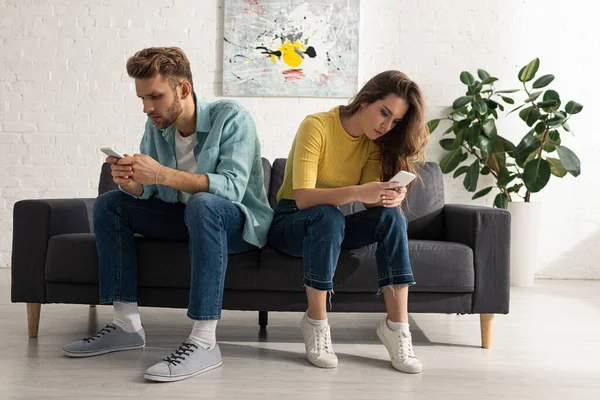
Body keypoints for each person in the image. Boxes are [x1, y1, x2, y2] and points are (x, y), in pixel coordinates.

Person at [62, 47, 273, 382]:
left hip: (235, 223)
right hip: (186, 217)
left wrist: (160, 173)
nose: (148, 108)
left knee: (204, 204)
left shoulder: (231, 116)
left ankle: (204, 342)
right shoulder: (157, 127)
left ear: (183, 89)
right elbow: (156, 193)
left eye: (155, 97)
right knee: (109, 203)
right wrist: (132, 184)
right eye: (142, 98)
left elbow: (231, 189)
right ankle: (126, 325)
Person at [267, 70, 429, 373]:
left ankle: (397, 328)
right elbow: (302, 197)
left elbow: (368, 199)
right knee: (328, 215)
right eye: (384, 113)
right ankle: (316, 323)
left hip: (331, 227)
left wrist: (387, 195)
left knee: (391, 217)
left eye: (395, 122)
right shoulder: (316, 126)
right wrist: (358, 191)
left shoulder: (372, 143)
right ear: (366, 99)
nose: (386, 126)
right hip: (290, 222)